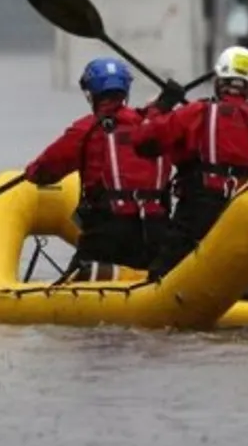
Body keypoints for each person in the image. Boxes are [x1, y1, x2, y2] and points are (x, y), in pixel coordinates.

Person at [132, 45, 248, 300]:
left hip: (199, 211)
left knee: (161, 278)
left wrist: (161, 106)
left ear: (219, 82)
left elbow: (143, 142)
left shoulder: (197, 112)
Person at [24, 57, 177, 282]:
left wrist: (30, 172)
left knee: (71, 283)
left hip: (108, 233)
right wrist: (164, 105)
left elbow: (41, 173)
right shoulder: (157, 124)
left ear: (90, 94)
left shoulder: (85, 130)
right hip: (157, 232)